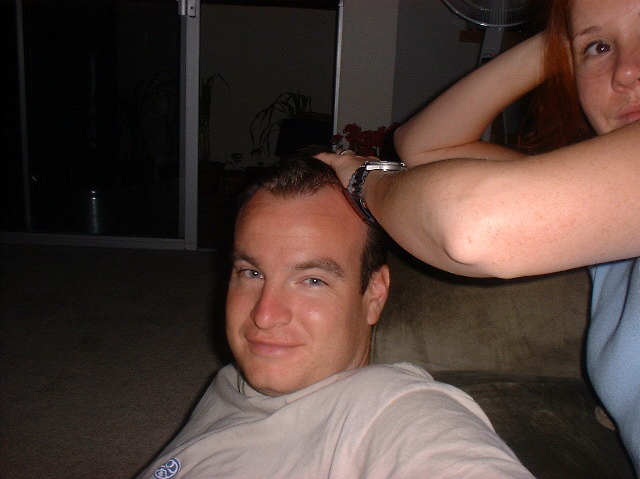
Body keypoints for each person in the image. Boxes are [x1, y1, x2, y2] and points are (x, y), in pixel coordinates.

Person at [316, 0, 640, 472]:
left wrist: (361, 178)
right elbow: (425, 145)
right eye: (600, 49)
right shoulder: (609, 218)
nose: (626, 72)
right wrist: (562, 36)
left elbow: (473, 227)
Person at [136, 157, 534, 479]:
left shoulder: (394, 412)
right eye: (252, 272)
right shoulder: (229, 382)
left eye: (312, 280)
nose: (264, 315)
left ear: (374, 295)